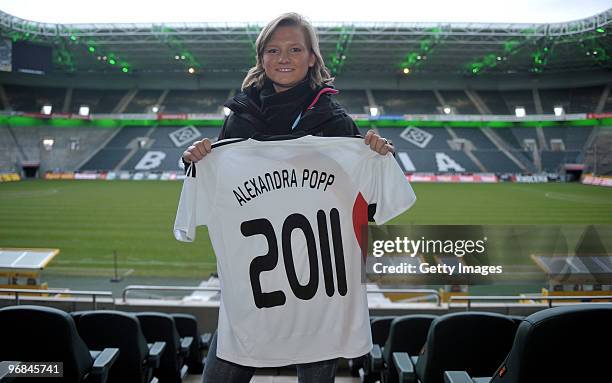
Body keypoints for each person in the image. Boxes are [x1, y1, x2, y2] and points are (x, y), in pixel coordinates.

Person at [181, 12, 394, 383]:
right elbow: (220, 191)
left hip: (319, 283)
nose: (284, 57)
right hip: (255, 280)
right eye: (273, 49)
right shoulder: (239, 117)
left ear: (312, 57)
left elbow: (367, 209)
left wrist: (376, 159)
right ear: (261, 56)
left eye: (295, 49)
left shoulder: (336, 123)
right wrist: (196, 161)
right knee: (223, 372)